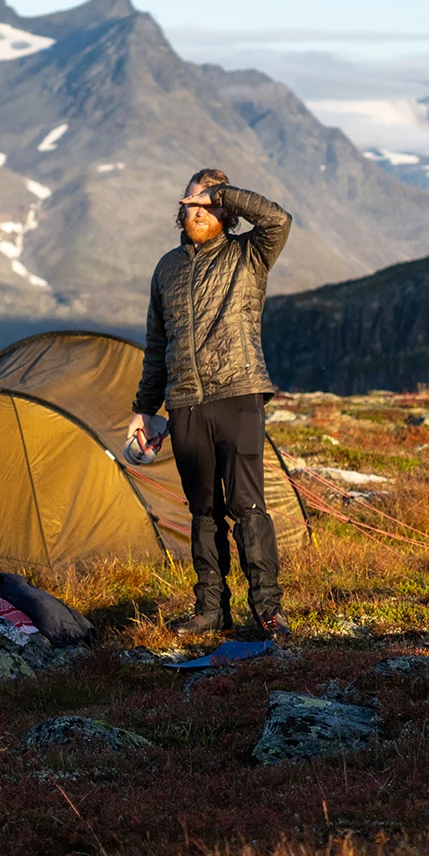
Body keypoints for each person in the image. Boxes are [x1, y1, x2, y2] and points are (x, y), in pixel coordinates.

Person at [128, 168, 291, 638]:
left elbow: (278, 220)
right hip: (185, 405)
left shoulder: (249, 255)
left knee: (247, 505)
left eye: (209, 204)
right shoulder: (167, 268)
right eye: (191, 204)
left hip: (238, 394)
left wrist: (225, 194)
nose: (198, 212)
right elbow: (157, 344)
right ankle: (211, 611)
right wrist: (145, 407)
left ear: (226, 211)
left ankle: (267, 610)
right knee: (202, 510)